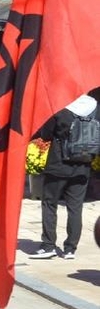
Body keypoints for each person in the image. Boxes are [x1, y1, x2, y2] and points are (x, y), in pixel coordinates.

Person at [29, 93, 97, 261]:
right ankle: (70, 249)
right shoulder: (95, 107)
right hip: (83, 164)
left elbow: (46, 134)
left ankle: (48, 245)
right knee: (75, 207)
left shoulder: (61, 106)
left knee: (49, 203)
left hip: (58, 163)